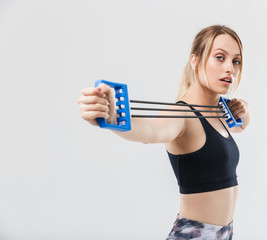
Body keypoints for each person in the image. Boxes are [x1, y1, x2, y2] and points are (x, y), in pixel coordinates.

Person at [78, 25, 251, 240]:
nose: (230, 69)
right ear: (195, 61)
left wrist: (243, 108)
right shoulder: (182, 114)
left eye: (236, 61)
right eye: (219, 57)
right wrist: (112, 117)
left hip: (224, 234)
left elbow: (242, 124)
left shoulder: (218, 112)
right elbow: (151, 131)